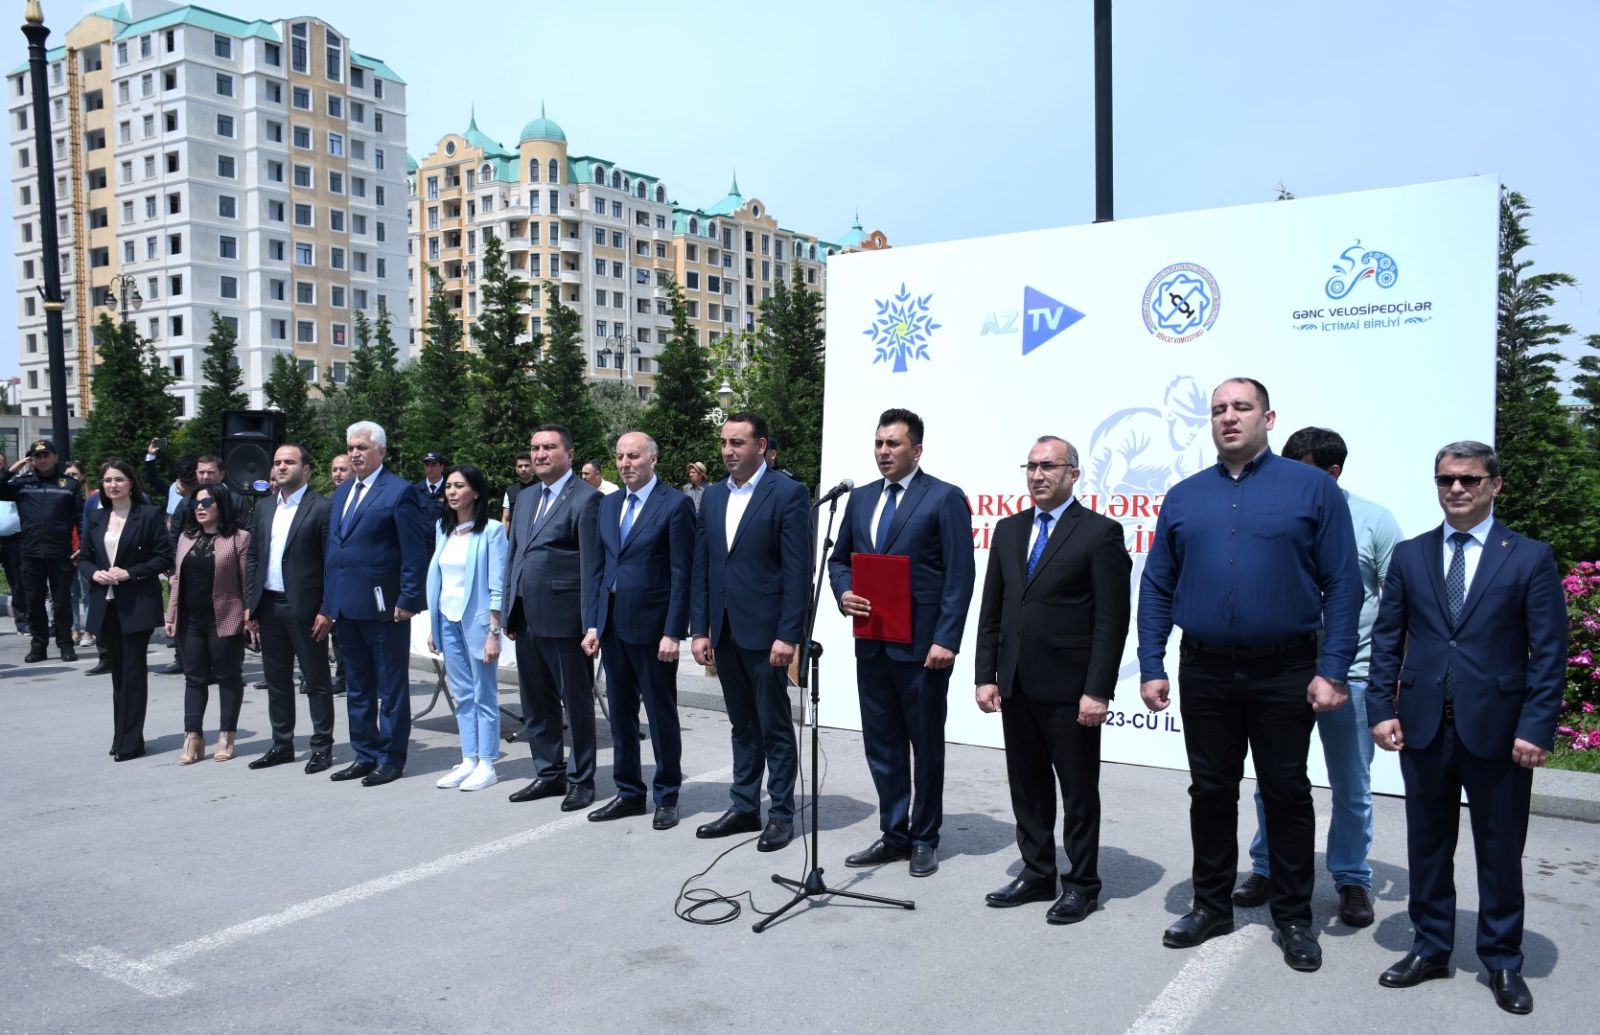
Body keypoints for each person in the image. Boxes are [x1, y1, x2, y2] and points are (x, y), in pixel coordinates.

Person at [1136, 377, 1360, 973]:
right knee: (1210, 792)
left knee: (1286, 793)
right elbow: (1157, 584)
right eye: (1219, 409)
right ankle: (1211, 906)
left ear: (1268, 417)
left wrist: (1333, 669)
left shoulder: (1313, 489)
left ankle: (1293, 916)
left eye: (1242, 407)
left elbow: (1343, 584)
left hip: (1285, 669)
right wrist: (1152, 662)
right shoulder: (1185, 496)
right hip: (1204, 668)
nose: (1229, 417)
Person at [1368, 441, 1566, 1016]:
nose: (1456, 489)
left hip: (1500, 731)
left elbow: (1549, 651)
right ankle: (1430, 947)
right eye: (1446, 479)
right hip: (1424, 725)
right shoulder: (1411, 555)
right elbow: (1387, 639)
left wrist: (1536, 726)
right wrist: (1381, 707)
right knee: (1428, 845)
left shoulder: (1528, 557)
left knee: (1500, 850)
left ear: (1494, 485)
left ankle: (1502, 959)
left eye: (1469, 479)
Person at [1233, 427, 1402, 928]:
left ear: (1333, 473)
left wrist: (1392, 677)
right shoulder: (1278, 515)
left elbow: (1398, 605)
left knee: (1352, 786)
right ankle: (1266, 867)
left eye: (1301, 469)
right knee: (1274, 779)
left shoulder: (1375, 520)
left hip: (1353, 675)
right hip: (1286, 670)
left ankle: (1350, 878)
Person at [974, 435, 1130, 921]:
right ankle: (1038, 872)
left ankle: (1082, 884)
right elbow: (993, 608)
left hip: (1071, 690)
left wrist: (1097, 690)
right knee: (1027, 786)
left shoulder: (1100, 533)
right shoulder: (1009, 530)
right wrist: (985, 675)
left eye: (1048, 466)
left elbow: (1111, 620)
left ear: (1073, 474)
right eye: (1031, 466)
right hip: (1016, 683)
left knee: (1078, 792)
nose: (1037, 475)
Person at [829, 408, 976, 877]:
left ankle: (925, 837)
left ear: (917, 449)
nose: (883, 452)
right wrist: (844, 593)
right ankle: (894, 833)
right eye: (878, 443)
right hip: (872, 643)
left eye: (893, 443)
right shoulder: (860, 499)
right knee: (883, 745)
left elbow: (960, 574)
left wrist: (946, 639)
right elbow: (839, 561)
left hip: (923, 649)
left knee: (925, 746)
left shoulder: (944, 498)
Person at [690, 412, 809, 851]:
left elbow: (797, 571)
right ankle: (744, 806)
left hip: (766, 633)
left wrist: (788, 635)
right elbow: (703, 565)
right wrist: (699, 629)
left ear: (760, 446)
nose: (728, 450)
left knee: (773, 725)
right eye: (724, 442)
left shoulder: (788, 493)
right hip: (723, 630)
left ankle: (780, 814)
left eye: (737, 442)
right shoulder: (713, 495)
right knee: (742, 724)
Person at [583, 432, 695, 829]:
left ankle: (667, 796)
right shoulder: (609, 504)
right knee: (621, 717)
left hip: (653, 630)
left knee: (660, 716)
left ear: (653, 459)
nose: (625, 463)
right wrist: (594, 623)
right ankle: (629, 793)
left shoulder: (675, 504)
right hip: (613, 627)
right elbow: (599, 569)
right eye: (620, 457)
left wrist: (673, 631)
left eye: (633, 456)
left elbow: (682, 573)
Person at [318, 421, 433, 787]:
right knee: (357, 685)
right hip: (346, 605)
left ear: (381, 451)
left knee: (390, 687)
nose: (355, 454)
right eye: (351, 447)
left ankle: (390, 758)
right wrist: (329, 603)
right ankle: (364, 753)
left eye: (362, 447)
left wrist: (409, 598)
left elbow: (414, 552)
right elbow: (334, 551)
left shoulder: (399, 492)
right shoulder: (342, 492)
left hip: (385, 608)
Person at [503, 424, 601, 810]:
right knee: (536, 702)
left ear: (569, 454)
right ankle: (548, 773)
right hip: (526, 616)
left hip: (566, 620)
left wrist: (591, 623)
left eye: (549, 447)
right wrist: (509, 609)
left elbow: (592, 566)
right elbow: (515, 555)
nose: (540, 454)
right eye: (535, 448)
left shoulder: (587, 499)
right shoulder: (526, 497)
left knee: (575, 703)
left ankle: (582, 778)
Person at [243, 444, 336, 774]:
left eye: (289, 462)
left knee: (316, 680)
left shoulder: (322, 507)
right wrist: (250, 604)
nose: (281, 467)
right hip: (269, 605)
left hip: (306, 609)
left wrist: (327, 608)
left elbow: (331, 563)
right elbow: (254, 557)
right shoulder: (264, 507)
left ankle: (322, 746)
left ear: (306, 469)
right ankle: (282, 744)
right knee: (276, 680)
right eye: (277, 462)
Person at [80, 460, 172, 761]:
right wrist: (94, 573)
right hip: (104, 603)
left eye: (119, 479)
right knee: (118, 674)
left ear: (131, 483)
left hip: (136, 604)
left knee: (133, 673)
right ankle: (121, 735)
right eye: (108, 480)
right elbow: (85, 558)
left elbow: (164, 557)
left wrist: (130, 573)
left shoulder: (148, 515)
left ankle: (131, 742)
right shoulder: (96, 516)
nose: (113, 485)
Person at [426, 464, 507, 793]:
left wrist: (494, 631)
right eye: (449, 486)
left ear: (475, 491)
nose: (452, 492)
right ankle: (469, 758)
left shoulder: (491, 531)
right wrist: (434, 626)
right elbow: (441, 581)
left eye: (459, 486)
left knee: (483, 693)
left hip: (478, 624)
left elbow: (497, 584)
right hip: (447, 620)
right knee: (461, 694)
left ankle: (487, 762)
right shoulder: (442, 529)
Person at [166, 485, 251, 764]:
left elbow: (246, 581)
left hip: (225, 617)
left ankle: (227, 734)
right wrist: (171, 615)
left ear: (221, 505)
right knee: (194, 678)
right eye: (195, 503)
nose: (199, 508)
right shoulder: (185, 537)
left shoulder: (239, 538)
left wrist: (249, 616)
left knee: (228, 676)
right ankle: (193, 736)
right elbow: (177, 581)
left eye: (206, 502)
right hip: (190, 619)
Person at [0, 438, 84, 662]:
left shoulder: (69, 484)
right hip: (30, 553)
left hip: (60, 553)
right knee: (33, 602)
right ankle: (38, 645)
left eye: (46, 455)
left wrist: (84, 546)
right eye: (37, 456)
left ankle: (66, 644)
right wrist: (12, 469)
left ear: (55, 457)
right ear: (31, 460)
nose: (42, 459)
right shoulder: (22, 483)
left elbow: (80, 517)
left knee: (62, 602)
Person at [327, 453, 353, 696]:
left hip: (356, 580)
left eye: (343, 469)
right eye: (334, 469)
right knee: (337, 634)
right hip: (332, 578)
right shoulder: (329, 502)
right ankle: (343, 677)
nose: (337, 474)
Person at [0, 452, 28, 637]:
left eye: (1, 462)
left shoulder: (12, 483)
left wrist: (11, 473)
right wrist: (10, 471)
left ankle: (23, 622)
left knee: (18, 582)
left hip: (12, 540)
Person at [501, 451, 535, 524]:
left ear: (533, 467)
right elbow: (506, 519)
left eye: (526, 465)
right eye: (520, 466)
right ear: (516, 469)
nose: (523, 469)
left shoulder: (543, 487)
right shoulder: (510, 491)